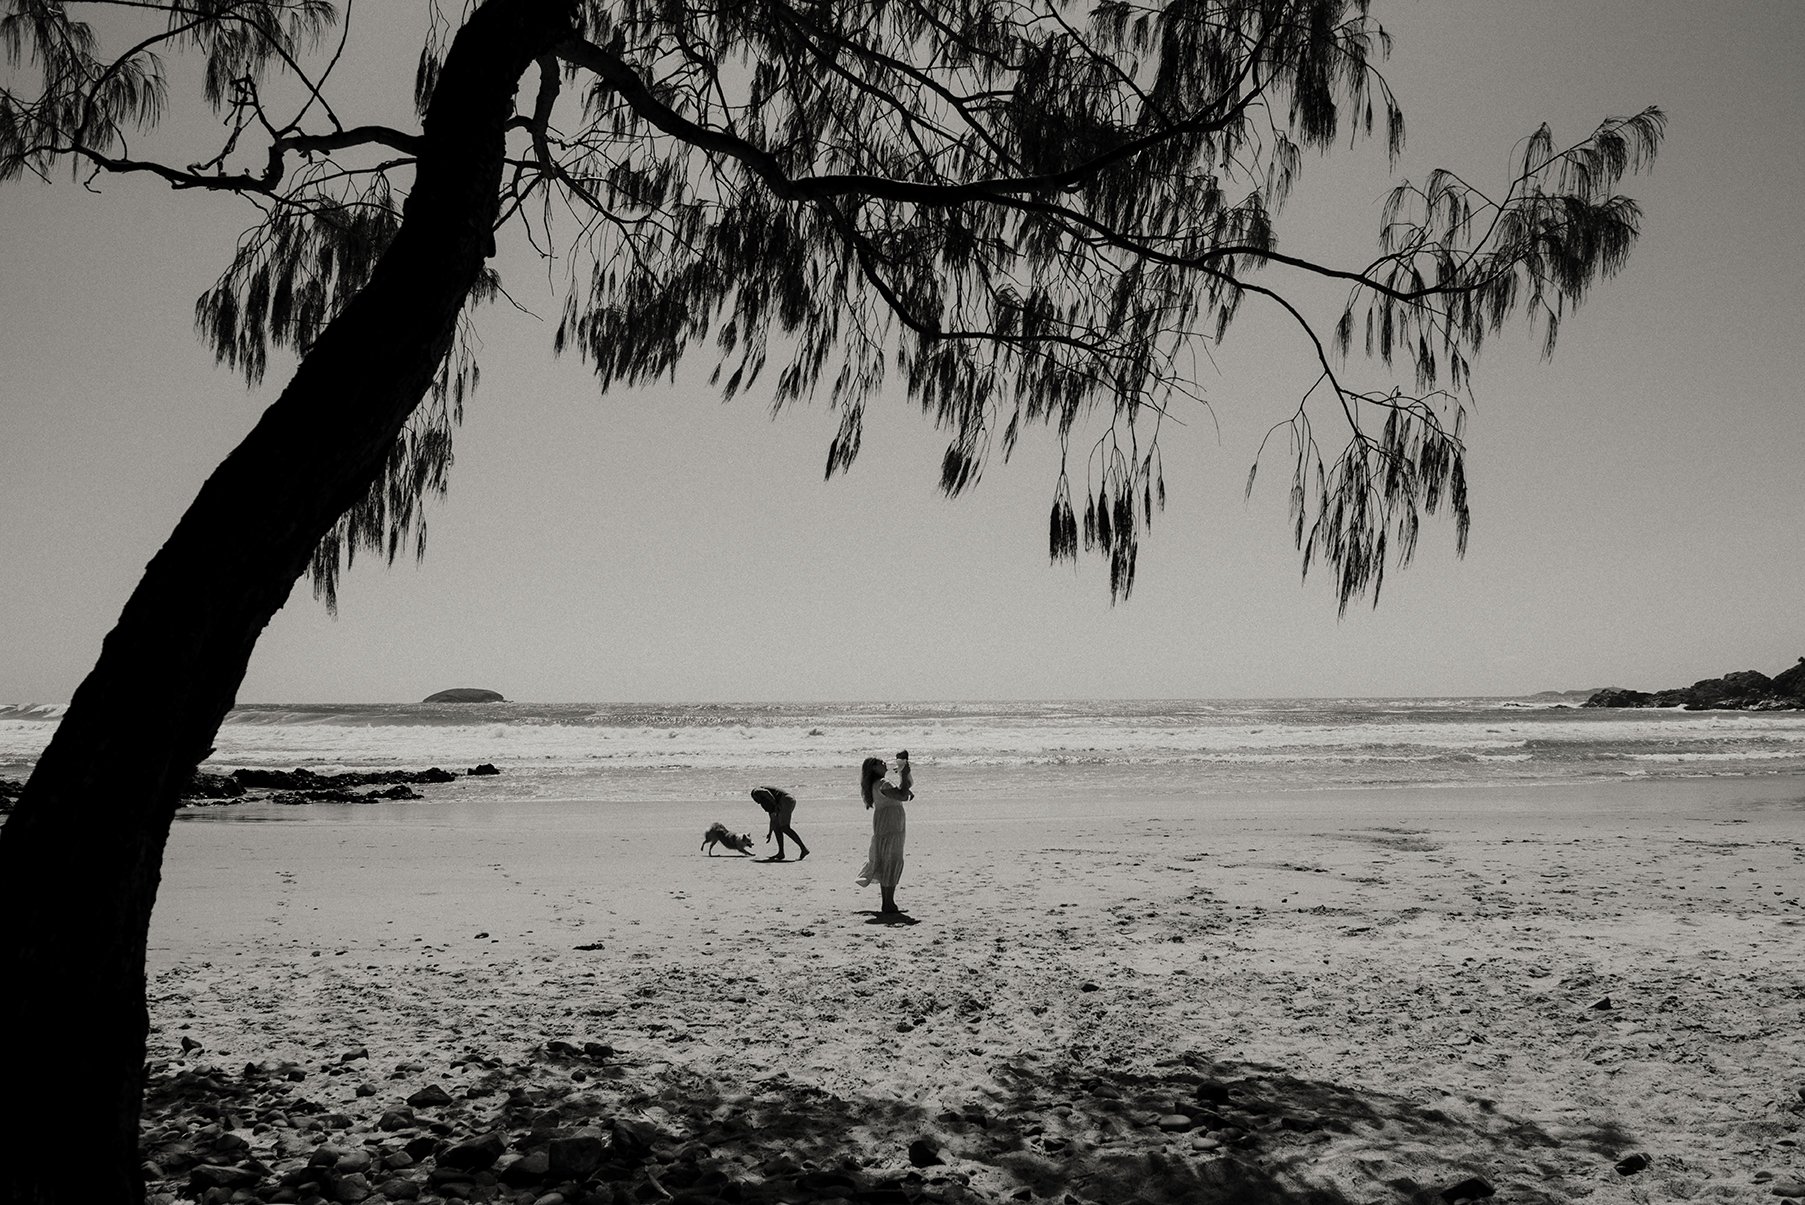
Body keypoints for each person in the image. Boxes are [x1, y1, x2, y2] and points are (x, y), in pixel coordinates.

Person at [856, 751, 912, 914]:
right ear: (873, 768)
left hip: (884, 821)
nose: (884, 764)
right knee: (892, 859)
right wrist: (904, 775)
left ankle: (888, 902)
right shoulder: (883, 783)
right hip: (891, 822)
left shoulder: (876, 784)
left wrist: (904, 781)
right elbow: (901, 795)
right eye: (880, 763)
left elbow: (899, 794)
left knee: (886, 858)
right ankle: (889, 903)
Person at [749, 786, 808, 861]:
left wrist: (775, 803)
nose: (757, 802)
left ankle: (803, 849)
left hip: (785, 800)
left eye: (755, 800)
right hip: (787, 801)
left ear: (754, 796)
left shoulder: (756, 791)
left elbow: (766, 792)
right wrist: (770, 832)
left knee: (785, 827)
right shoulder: (767, 803)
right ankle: (781, 853)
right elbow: (773, 819)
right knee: (777, 828)